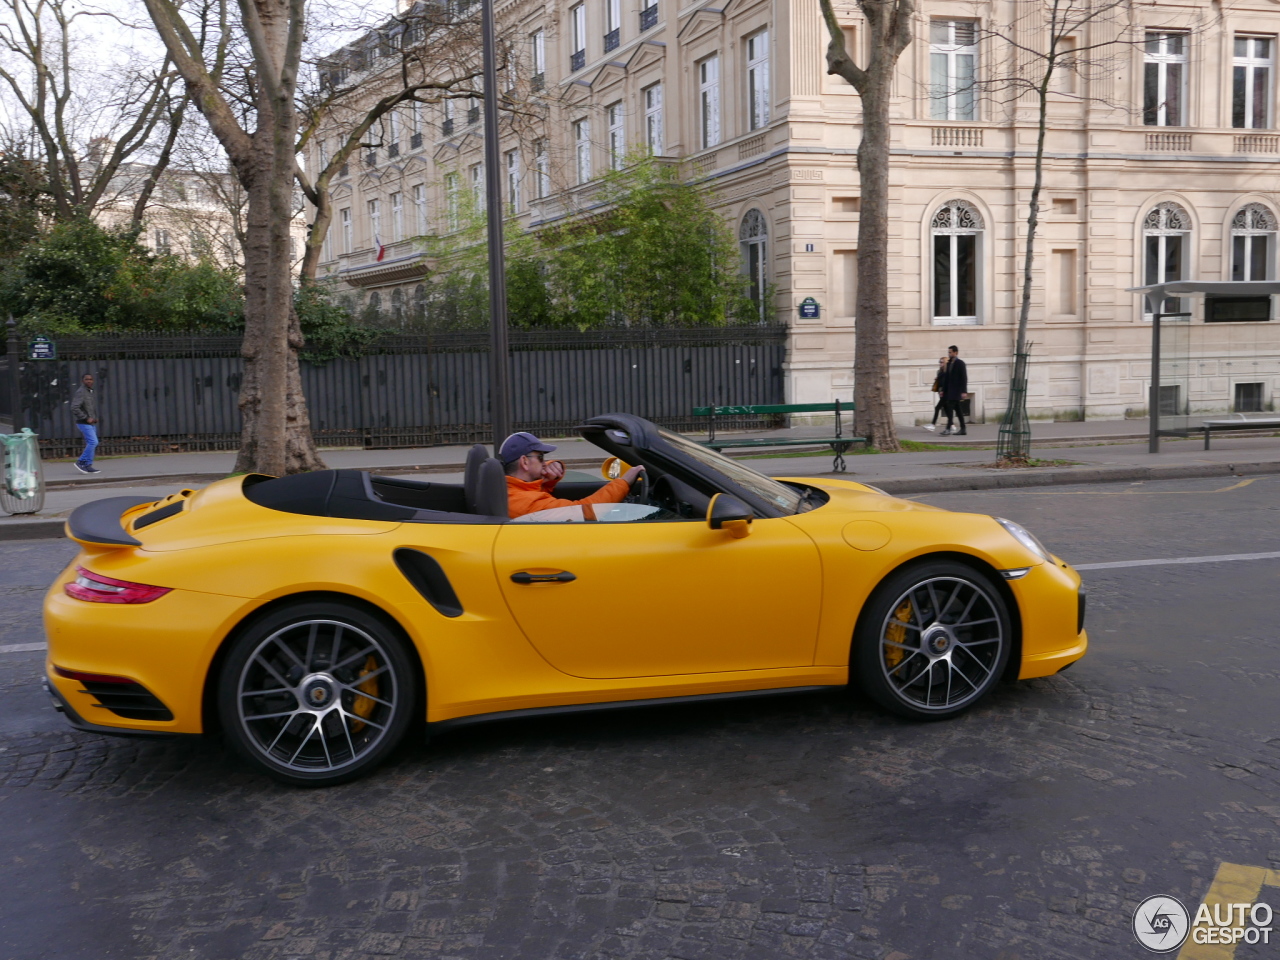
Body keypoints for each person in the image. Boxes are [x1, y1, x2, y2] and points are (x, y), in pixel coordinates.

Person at [501, 431, 644, 519]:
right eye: (540, 457)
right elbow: (585, 511)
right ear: (524, 462)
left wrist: (550, 477)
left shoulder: (515, 491)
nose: (545, 463)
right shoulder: (525, 503)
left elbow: (538, 493)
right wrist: (624, 482)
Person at [70, 373, 101, 475]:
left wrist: (94, 418)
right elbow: (74, 407)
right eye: (87, 379)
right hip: (84, 423)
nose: (89, 381)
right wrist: (86, 418)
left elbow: (89, 407)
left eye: (91, 379)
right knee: (93, 442)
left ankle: (88, 465)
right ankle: (81, 462)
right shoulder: (81, 392)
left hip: (91, 423)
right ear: (83, 381)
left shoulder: (89, 392)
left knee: (91, 443)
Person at [940, 345, 969, 436]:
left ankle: (948, 428)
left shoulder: (960, 363)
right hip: (950, 390)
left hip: (957, 390)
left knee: (950, 409)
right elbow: (947, 378)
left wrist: (964, 391)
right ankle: (963, 428)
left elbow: (964, 378)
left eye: (950, 352)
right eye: (948, 352)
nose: (949, 354)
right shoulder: (949, 364)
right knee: (958, 410)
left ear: (956, 353)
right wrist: (943, 390)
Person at [924, 356, 949, 432]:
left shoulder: (947, 372)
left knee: (937, 408)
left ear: (945, 363)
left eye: (942, 362)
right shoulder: (939, 371)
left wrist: (943, 391)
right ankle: (952, 425)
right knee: (946, 408)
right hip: (940, 391)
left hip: (945, 392)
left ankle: (933, 425)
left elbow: (946, 383)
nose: (940, 363)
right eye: (939, 362)